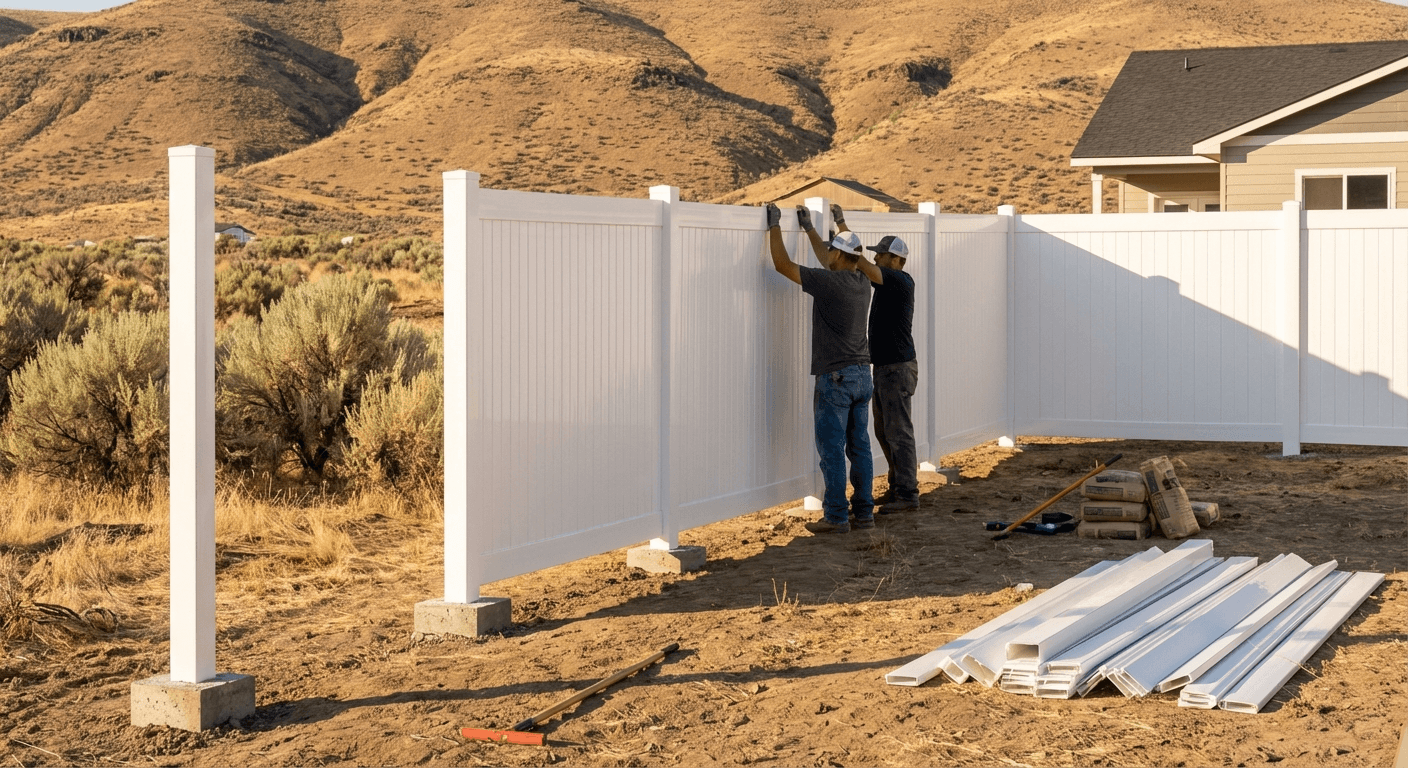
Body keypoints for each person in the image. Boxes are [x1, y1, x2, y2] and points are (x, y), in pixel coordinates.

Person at [765, 202, 882, 534]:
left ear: (840, 257)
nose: (827, 254)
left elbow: (782, 264)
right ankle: (864, 514)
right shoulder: (861, 282)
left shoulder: (831, 285)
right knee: (859, 447)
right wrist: (810, 230)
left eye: (832, 251)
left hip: (837, 378)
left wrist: (774, 226)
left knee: (832, 449)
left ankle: (836, 517)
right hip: (862, 374)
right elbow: (830, 259)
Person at [832, 204, 920, 513]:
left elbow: (862, 266)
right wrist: (841, 234)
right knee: (886, 431)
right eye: (877, 254)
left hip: (896, 369)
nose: (877, 258)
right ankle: (899, 489)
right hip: (887, 368)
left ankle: (908, 494)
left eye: (881, 255)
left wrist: (842, 228)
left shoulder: (898, 281)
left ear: (896, 260)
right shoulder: (888, 282)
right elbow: (861, 266)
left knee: (898, 431)